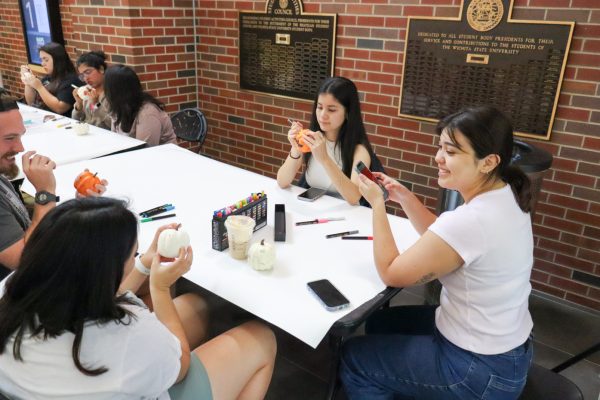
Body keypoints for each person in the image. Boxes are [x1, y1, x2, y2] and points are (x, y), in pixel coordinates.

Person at [340, 106, 534, 399]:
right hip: (506, 351)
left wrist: (377, 205)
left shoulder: (472, 220)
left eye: (452, 152)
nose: (438, 158)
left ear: (488, 162)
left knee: (354, 358)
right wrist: (403, 196)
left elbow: (393, 273)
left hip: (477, 371)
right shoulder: (505, 194)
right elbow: (446, 235)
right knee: (380, 322)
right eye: (440, 147)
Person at [0, 197, 276, 399]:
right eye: (131, 255)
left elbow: (103, 294)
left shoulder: (14, 291)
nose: (134, 260)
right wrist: (160, 289)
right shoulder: (127, 336)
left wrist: (145, 263)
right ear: (104, 271)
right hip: (135, 374)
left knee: (196, 306)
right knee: (262, 338)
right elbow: (180, 366)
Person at [0, 94, 106, 276]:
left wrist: (79, 205)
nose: (20, 148)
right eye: (10, 138)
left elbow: (28, 224)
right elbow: (23, 259)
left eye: (20, 136)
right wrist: (45, 192)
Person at [276, 77, 381, 205]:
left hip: (347, 218)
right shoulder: (311, 138)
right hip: (312, 212)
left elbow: (354, 197)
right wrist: (296, 150)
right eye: (319, 107)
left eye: (331, 110)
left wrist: (324, 159)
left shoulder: (359, 150)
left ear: (348, 113)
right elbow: (282, 182)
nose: (322, 115)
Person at [104, 64, 177, 146]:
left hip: (164, 156)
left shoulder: (147, 113)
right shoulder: (119, 107)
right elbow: (116, 140)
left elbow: (146, 150)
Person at [21, 42, 83, 117]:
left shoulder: (71, 80)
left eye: (46, 60)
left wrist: (40, 87)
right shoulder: (48, 77)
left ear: (58, 60)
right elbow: (31, 102)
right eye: (41, 60)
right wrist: (28, 82)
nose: (42, 64)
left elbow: (60, 108)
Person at [71, 50, 111, 129]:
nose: (86, 78)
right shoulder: (87, 90)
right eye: (82, 75)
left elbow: (111, 124)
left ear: (101, 69)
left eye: (88, 72)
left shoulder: (112, 92)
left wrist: (96, 104)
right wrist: (79, 104)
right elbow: (76, 120)